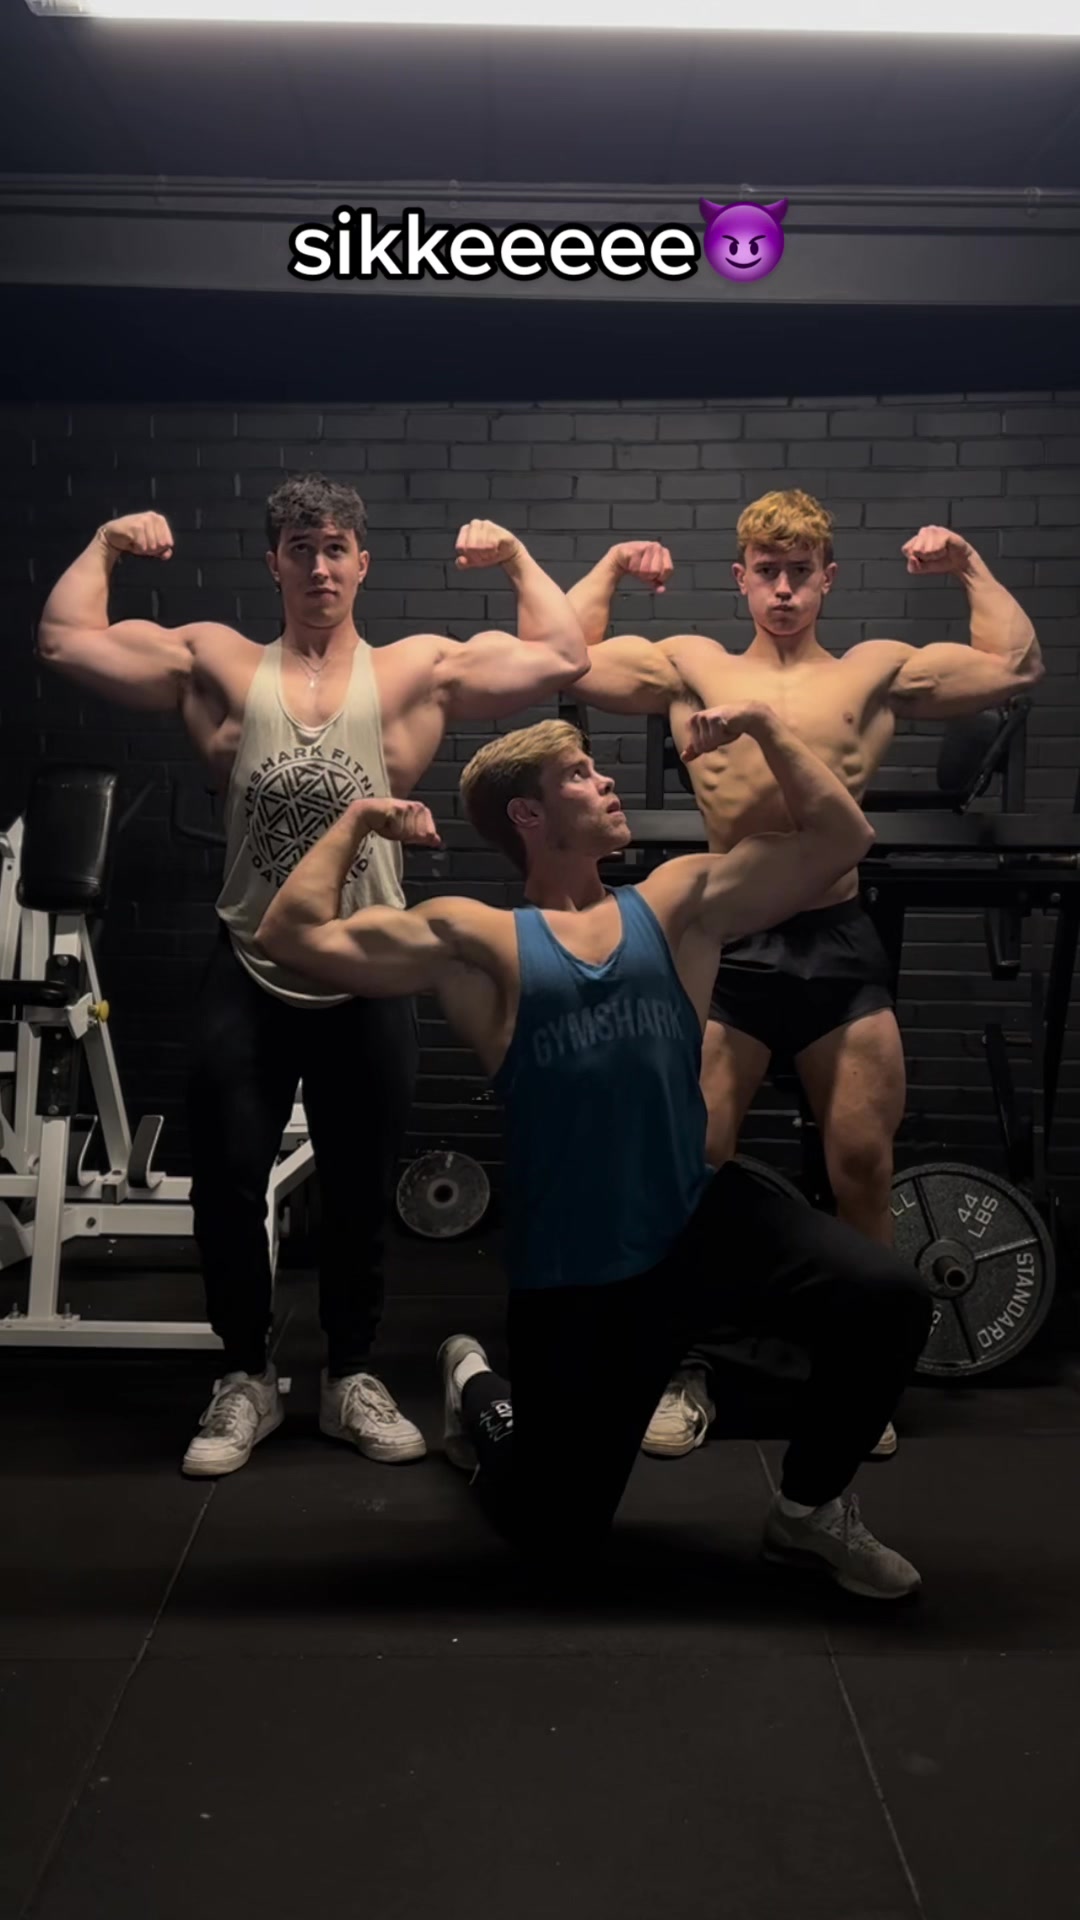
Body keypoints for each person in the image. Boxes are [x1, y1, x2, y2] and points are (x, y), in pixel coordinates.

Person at [255, 704, 932, 1601]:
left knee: (890, 1296)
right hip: (578, 1275)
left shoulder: (679, 904)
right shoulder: (477, 941)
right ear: (529, 815)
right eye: (579, 773)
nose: (606, 780)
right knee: (555, 1538)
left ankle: (808, 1511)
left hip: (698, 1221)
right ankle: (477, 1389)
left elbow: (843, 839)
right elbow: (288, 935)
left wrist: (768, 728)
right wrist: (356, 822)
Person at [36, 474, 589, 1477]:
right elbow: (66, 641)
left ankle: (349, 1377)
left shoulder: (413, 671)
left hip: (368, 969)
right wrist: (109, 543)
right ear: (275, 564)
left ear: (362, 563)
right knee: (227, 1186)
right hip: (248, 965)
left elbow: (563, 655)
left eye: (336, 549)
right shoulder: (219, 662)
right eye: (302, 549)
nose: (321, 567)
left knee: (360, 1190)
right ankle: (245, 1375)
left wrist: (513, 557)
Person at [566, 490, 1042, 1461]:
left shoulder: (872, 671)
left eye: (799, 573)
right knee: (693, 1160)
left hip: (835, 939)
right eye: (766, 573)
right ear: (740, 579)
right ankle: (680, 1366)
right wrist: (611, 568)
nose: (783, 590)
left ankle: (856, 1384)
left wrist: (967, 567)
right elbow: (564, 658)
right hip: (726, 943)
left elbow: (1015, 667)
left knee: (861, 1161)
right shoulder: (692, 665)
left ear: (827, 579)